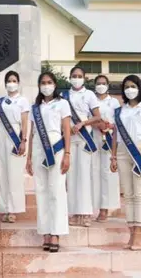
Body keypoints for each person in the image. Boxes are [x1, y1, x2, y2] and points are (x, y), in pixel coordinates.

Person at [110, 75, 141, 251]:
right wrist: (113, 156)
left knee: (139, 194)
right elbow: (115, 134)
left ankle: (139, 234)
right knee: (128, 195)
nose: (130, 89)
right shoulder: (120, 111)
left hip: (140, 151)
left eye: (133, 86)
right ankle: (131, 233)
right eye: (127, 87)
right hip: (122, 152)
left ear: (139, 88)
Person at [26, 71, 71, 253]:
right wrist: (28, 157)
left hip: (56, 148)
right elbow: (31, 133)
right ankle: (45, 231)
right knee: (42, 190)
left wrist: (67, 153)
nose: (46, 85)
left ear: (55, 84)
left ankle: (56, 232)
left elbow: (67, 129)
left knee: (57, 190)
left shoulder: (62, 103)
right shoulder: (35, 108)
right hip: (38, 148)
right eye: (43, 82)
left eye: (49, 82)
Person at [63, 66, 102, 227]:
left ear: (84, 78)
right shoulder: (63, 96)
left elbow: (98, 117)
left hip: (85, 138)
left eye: (79, 76)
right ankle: (72, 212)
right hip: (70, 138)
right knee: (71, 176)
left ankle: (86, 213)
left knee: (85, 176)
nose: (76, 78)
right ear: (70, 77)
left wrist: (82, 123)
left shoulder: (89, 95)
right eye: (74, 76)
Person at [0, 70, 30, 223]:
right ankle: (4, 208)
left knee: (15, 174)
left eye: (14, 80)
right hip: (1, 136)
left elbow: (24, 122)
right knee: (2, 173)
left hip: (16, 136)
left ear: (18, 83)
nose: (11, 83)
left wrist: (23, 140)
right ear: (5, 84)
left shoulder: (22, 100)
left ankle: (14, 209)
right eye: (9, 81)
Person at [92, 75, 121, 222]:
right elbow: (87, 118)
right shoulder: (91, 99)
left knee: (106, 174)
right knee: (94, 173)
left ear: (108, 85)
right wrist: (98, 125)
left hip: (109, 140)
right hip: (93, 139)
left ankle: (105, 208)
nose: (101, 86)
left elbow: (119, 121)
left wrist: (109, 126)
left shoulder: (114, 102)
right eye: (98, 83)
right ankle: (92, 208)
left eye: (103, 83)